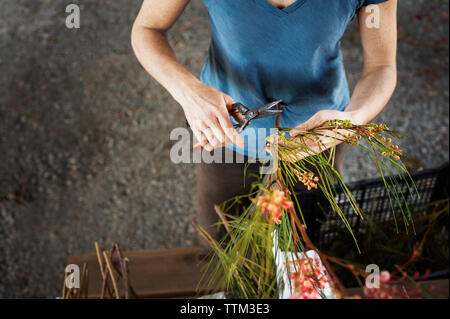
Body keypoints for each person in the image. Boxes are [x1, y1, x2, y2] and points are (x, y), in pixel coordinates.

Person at [131, 0, 398, 248]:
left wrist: (352, 119)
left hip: (317, 138)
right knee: (219, 239)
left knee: (302, 241)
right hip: (225, 133)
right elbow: (148, 28)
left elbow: (381, 67)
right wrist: (188, 92)